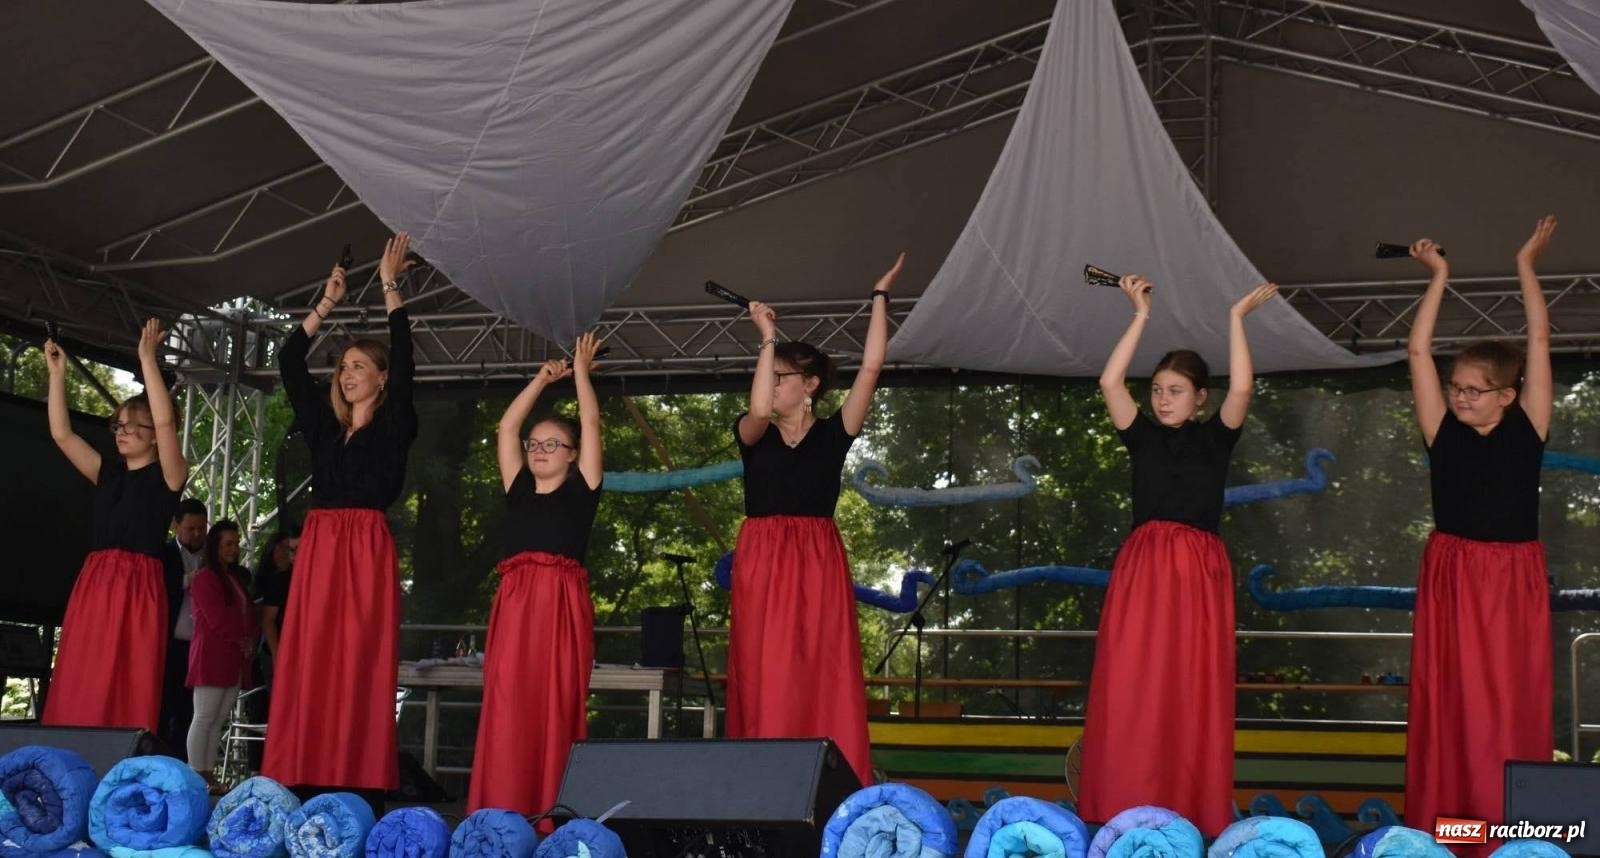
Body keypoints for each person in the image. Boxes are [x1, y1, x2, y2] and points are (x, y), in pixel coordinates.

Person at [1077, 274, 1278, 836]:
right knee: (1132, 682)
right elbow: (1109, 380)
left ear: (1200, 397)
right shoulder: (1141, 436)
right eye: (1158, 389)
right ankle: (1120, 805)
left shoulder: (1216, 438)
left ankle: (1188, 808)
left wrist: (1235, 319)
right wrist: (1140, 314)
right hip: (1144, 569)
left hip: (1197, 572)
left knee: (1189, 686)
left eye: (1176, 390)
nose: (1163, 399)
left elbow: (1243, 389)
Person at [1402, 219, 1557, 855]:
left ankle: (1507, 832)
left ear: (1508, 395)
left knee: (1507, 701)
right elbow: (1417, 352)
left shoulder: (1529, 427)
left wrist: (1526, 264)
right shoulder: (1442, 431)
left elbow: (1539, 337)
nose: (1460, 397)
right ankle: (1448, 831)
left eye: (1473, 390)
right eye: (1456, 388)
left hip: (1511, 577)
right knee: (1451, 702)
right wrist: (1439, 276)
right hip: (1453, 573)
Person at [724, 254, 905, 787]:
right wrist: (766, 339)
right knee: (765, 669)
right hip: (763, 555)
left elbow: (871, 368)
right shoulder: (753, 432)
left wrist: (879, 297)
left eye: (780, 376)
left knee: (822, 665)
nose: (769, 384)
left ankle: (830, 782)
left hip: (816, 555)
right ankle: (761, 781)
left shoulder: (833, 433)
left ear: (809, 385)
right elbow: (760, 409)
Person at [263, 233, 417, 808]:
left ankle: (357, 777)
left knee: (357, 658)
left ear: (381, 378)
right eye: (343, 366)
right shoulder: (326, 430)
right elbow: (287, 360)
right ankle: (300, 771)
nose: (347, 374)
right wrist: (327, 302)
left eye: (360, 366)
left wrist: (390, 288)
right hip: (322, 545)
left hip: (363, 548)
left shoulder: (396, 424)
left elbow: (406, 360)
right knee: (310, 657)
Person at [468, 334, 604, 826]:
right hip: (516, 603)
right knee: (507, 702)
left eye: (553, 444)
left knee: (555, 703)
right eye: (535, 444)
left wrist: (581, 372)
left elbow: (590, 422)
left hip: (561, 606)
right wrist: (542, 380)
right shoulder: (518, 488)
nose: (541, 450)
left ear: (572, 455)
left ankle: (550, 814)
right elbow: (507, 426)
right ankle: (500, 809)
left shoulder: (583, 489)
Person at [42, 319, 188, 731]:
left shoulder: (169, 475)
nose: (121, 432)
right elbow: (62, 435)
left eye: (131, 425)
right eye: (118, 424)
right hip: (95, 581)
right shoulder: (108, 473)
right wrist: (57, 374)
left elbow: (166, 423)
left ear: (153, 436)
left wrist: (147, 361)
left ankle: (118, 752)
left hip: (138, 587)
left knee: (126, 675)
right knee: (81, 672)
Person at [186, 519, 256, 790]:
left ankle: (208, 773)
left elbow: (247, 615)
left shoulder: (234, 578)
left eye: (235, 543)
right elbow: (217, 619)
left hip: (233, 657)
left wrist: (248, 640)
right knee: (204, 717)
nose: (234, 548)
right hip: (212, 656)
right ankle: (196, 773)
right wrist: (243, 640)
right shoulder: (205, 578)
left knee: (217, 721)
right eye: (228, 544)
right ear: (214, 546)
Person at [160, 498, 208, 759]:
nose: (197, 533)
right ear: (176, 526)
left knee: (192, 713)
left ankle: (183, 763)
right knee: (165, 708)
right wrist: (190, 580)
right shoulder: (164, 554)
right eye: (191, 528)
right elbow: (158, 588)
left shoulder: (212, 555)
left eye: (202, 528)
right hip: (171, 645)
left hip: (201, 648)